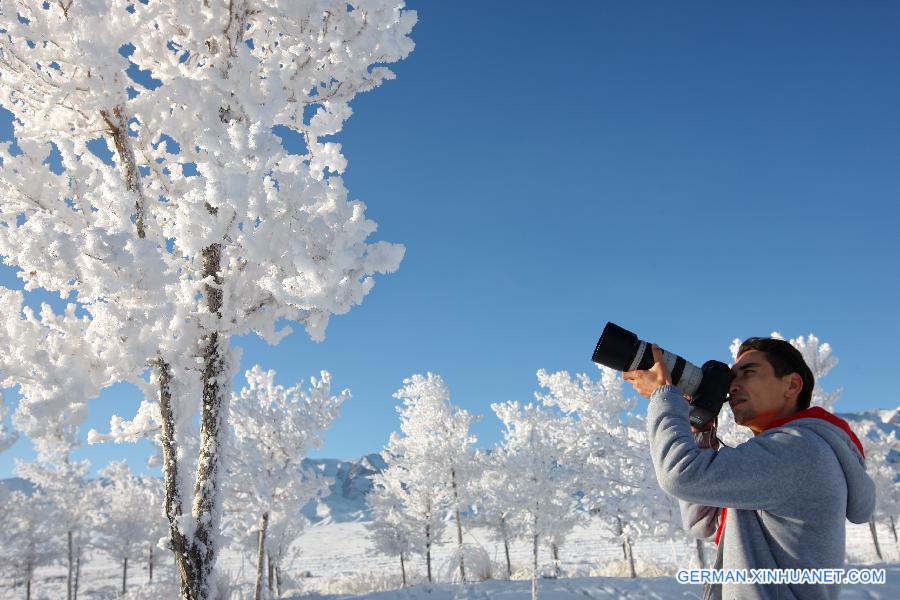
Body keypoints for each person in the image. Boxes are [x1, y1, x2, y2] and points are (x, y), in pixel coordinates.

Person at [623, 338, 875, 600]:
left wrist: (664, 395)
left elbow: (679, 476)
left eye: (749, 373)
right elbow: (702, 522)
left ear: (791, 385)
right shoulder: (782, 455)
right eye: (732, 377)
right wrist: (700, 429)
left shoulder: (798, 449)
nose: (732, 386)